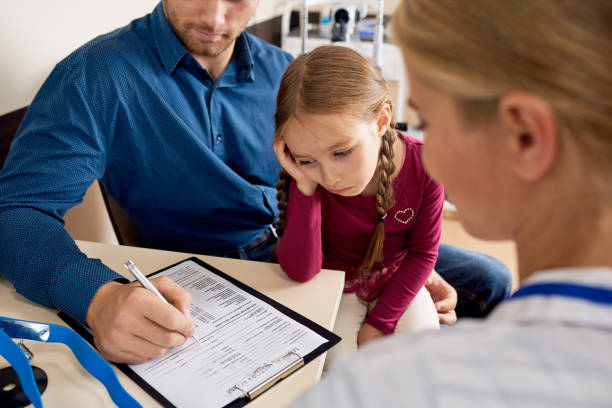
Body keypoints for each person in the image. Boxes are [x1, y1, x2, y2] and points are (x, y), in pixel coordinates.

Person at [0, 0, 507, 364]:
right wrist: (96, 295)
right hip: (223, 271)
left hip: (336, 243)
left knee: (491, 282)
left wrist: (395, 259)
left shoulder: (283, 72)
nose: (215, 18)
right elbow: (15, 211)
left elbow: (340, 186)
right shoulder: (97, 77)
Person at [289, 0, 612, 406]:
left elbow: (423, 251)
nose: (428, 153)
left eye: (431, 121)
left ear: (526, 136)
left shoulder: (365, 392)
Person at [273, 45, 441, 365]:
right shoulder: (309, 178)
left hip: (398, 278)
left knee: (421, 359)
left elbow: (423, 253)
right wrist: (305, 189)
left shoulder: (427, 166)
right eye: (307, 160)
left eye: (342, 152)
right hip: (334, 280)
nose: (330, 177)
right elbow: (301, 271)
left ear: (381, 121)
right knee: (337, 367)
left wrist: (380, 323)